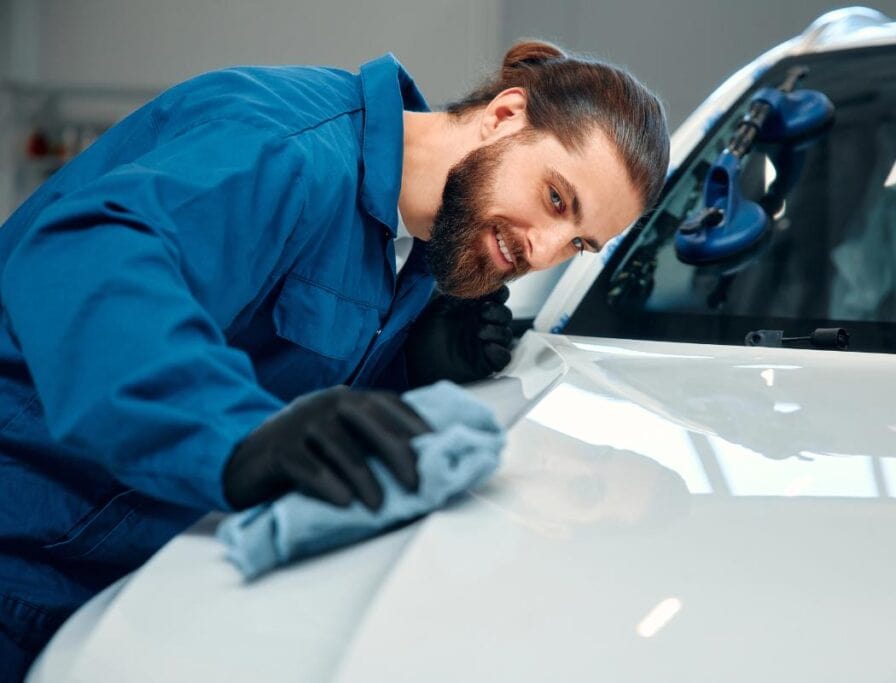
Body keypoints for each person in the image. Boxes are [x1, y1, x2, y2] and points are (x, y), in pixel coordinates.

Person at [0, 39, 669, 677]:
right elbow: (84, 264)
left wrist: (413, 363)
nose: (545, 248)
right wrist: (236, 435)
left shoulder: (415, 242)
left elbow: (283, 352)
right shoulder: (285, 149)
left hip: (110, 589)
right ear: (503, 116)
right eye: (556, 199)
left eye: (579, 244)